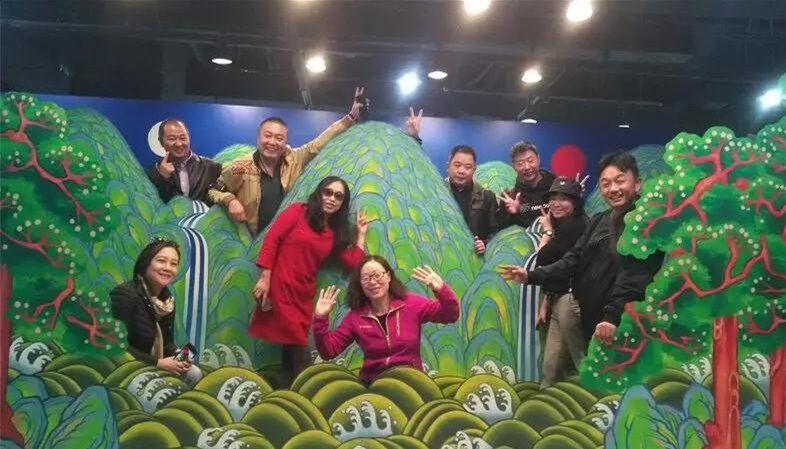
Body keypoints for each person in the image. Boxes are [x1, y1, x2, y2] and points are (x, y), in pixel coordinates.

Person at [499, 152, 664, 348]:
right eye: (606, 183)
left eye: (620, 181)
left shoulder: (646, 222)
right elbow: (573, 259)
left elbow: (634, 276)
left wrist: (612, 316)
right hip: (593, 319)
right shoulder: (599, 220)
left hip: (621, 324)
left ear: (637, 183)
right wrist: (530, 276)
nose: (613, 189)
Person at [249, 176, 371, 386]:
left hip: (303, 294)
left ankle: (286, 390)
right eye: (328, 192)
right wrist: (265, 278)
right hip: (281, 286)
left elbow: (353, 263)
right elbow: (272, 240)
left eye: (338, 196)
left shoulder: (334, 233)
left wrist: (360, 235)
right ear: (319, 193)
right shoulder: (298, 211)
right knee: (297, 341)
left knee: (289, 344)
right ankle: (311, 390)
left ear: (342, 204)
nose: (332, 199)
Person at [208, 87, 369, 235]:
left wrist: (351, 117)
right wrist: (230, 200)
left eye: (279, 138)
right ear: (258, 137)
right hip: (250, 241)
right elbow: (213, 190)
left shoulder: (295, 159)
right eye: (268, 136)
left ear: (285, 141)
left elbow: (321, 142)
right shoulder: (239, 166)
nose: (272, 142)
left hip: (284, 239)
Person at [312, 255, 460, 383]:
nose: (372, 282)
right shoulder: (355, 317)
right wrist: (320, 317)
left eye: (377, 275)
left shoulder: (411, 304)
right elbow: (328, 351)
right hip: (374, 386)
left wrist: (441, 289)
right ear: (360, 284)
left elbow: (450, 315)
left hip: (412, 383)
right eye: (366, 278)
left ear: (388, 276)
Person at [404, 108, 499, 254]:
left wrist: (485, 244)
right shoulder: (436, 192)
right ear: (448, 166)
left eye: (468, 167)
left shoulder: (487, 197)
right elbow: (415, 172)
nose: (462, 170)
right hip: (441, 255)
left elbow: (496, 231)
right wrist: (413, 138)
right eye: (457, 165)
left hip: (474, 258)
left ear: (474, 170)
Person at [532, 177, 588, 387]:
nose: (556, 203)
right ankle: (547, 401)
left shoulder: (575, 226)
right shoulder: (565, 226)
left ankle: (599, 400)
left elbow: (543, 257)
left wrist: (547, 231)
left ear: (575, 202)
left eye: (564, 198)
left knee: (579, 359)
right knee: (552, 366)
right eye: (553, 198)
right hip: (558, 297)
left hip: (570, 300)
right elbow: (557, 272)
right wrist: (546, 303)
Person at [110, 238, 192, 375]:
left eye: (174, 264)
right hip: (127, 369)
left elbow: (167, 344)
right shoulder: (124, 294)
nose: (167, 268)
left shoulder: (167, 302)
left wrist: (180, 355)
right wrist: (158, 363)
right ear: (145, 263)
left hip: (154, 365)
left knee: (193, 372)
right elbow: (115, 344)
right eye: (161, 261)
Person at [146, 119, 222, 204]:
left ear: (189, 138)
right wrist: (161, 178)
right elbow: (150, 203)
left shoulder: (212, 167)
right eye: (172, 139)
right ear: (161, 142)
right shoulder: (152, 173)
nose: (178, 144)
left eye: (183, 138)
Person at [498, 141, 556, 228]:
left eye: (530, 161)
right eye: (520, 163)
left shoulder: (557, 188)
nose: (527, 167)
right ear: (513, 166)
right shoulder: (511, 196)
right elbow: (503, 229)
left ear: (538, 159)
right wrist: (514, 212)